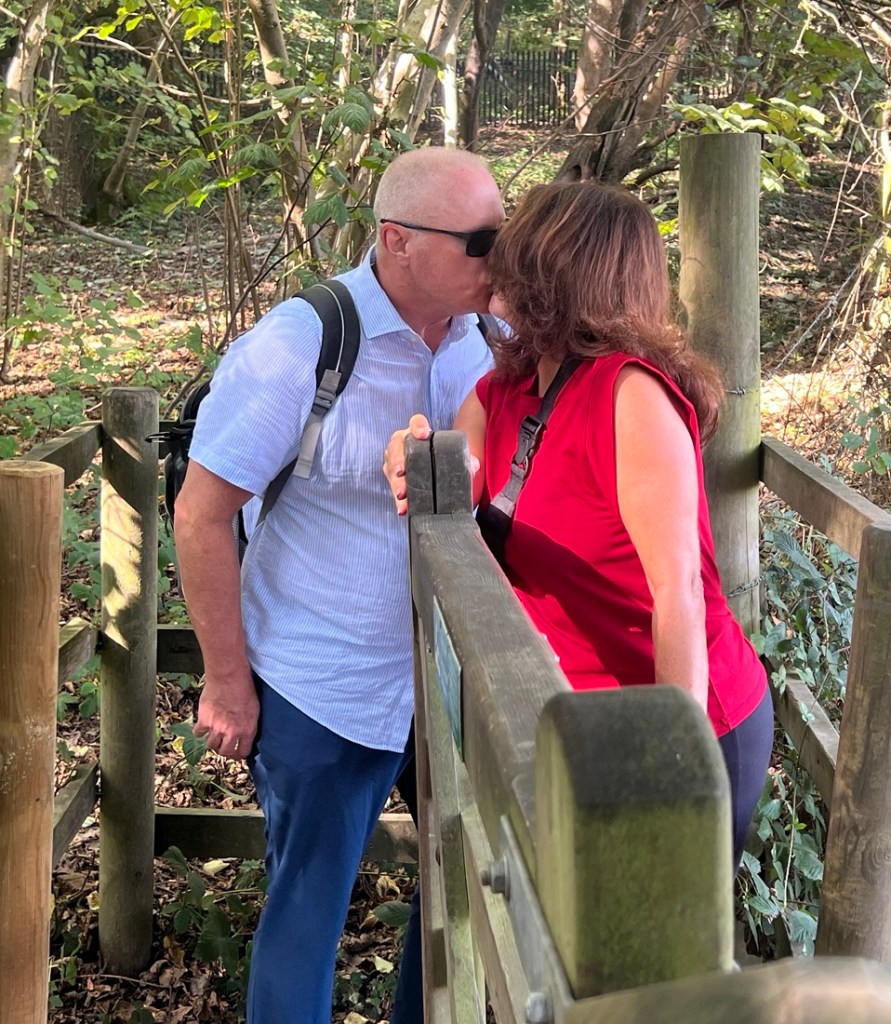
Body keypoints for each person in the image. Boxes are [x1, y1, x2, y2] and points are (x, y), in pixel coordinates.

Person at [173, 145, 505, 1024]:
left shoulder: (493, 341)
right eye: (480, 242)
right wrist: (227, 681)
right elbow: (200, 516)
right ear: (397, 241)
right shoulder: (301, 344)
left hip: (449, 680)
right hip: (322, 684)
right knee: (307, 912)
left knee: (460, 896)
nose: (500, 258)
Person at [384, 180, 773, 867]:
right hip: (572, 713)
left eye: (518, 251)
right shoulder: (502, 390)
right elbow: (453, 484)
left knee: (653, 929)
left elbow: (678, 589)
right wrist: (411, 456)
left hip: (683, 718)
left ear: (562, 273)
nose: (497, 264)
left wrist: (672, 760)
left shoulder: (630, 393)